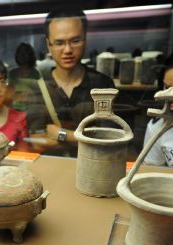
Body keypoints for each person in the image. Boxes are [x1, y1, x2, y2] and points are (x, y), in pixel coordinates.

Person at [27, 8, 115, 157]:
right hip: (52, 168)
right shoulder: (38, 87)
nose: (67, 50)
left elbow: (107, 141)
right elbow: (37, 143)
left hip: (94, 167)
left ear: (85, 39)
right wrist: (86, 138)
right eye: (59, 43)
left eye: (75, 41)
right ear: (49, 44)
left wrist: (61, 134)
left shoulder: (102, 84)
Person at [9, 43, 41, 112]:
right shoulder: (11, 73)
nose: (22, 55)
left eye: (25, 52)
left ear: (30, 55)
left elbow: (39, 95)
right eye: (19, 52)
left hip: (32, 111)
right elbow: (8, 94)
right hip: (13, 111)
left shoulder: (36, 74)